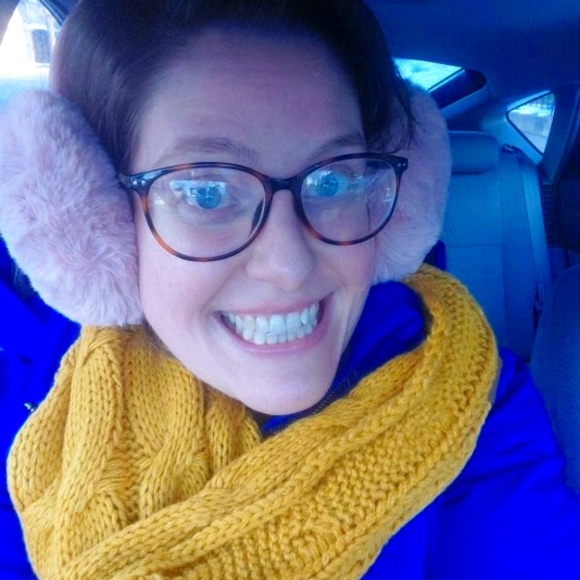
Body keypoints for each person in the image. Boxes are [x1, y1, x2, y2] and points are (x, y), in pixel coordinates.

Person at [0, 0, 578, 578]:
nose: (290, 264)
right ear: (96, 221)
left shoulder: (477, 405)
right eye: (206, 192)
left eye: (335, 179)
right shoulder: (30, 403)